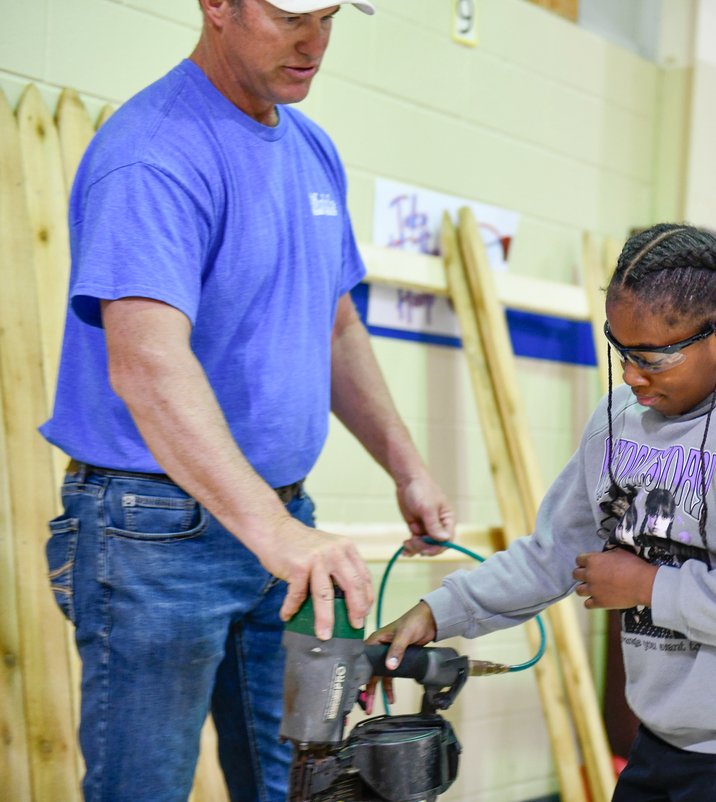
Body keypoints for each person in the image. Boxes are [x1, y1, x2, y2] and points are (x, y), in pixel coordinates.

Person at [39, 1, 454, 799]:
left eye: (328, 17)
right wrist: (275, 531)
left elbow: (335, 327)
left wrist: (406, 466)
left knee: (296, 783)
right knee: (143, 790)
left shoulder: (311, 148)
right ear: (217, 6)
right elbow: (147, 366)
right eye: (290, 15)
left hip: (282, 527)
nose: (313, 41)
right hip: (154, 533)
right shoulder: (153, 154)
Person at [369, 224, 716, 801]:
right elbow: (552, 554)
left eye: (653, 359)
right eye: (621, 351)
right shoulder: (620, 415)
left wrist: (647, 585)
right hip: (662, 740)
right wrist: (438, 612)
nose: (630, 376)